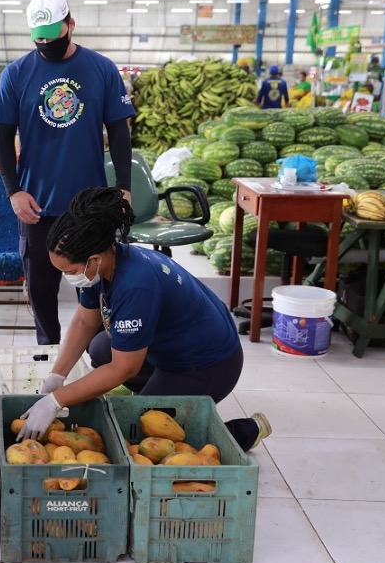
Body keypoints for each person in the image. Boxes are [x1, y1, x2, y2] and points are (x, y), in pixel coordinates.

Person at [17, 187, 271, 454]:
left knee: (144, 439)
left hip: (207, 365)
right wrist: (57, 376)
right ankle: (154, 394)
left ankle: (242, 431)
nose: (67, 278)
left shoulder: (135, 285)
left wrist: (56, 401)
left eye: (69, 271)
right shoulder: (104, 262)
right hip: (171, 349)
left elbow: (122, 369)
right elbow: (84, 322)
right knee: (101, 347)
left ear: (93, 260)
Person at [0, 0, 135, 346]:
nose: (46, 45)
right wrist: (13, 191)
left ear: (70, 25)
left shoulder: (101, 69)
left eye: (53, 37)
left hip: (89, 206)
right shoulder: (16, 74)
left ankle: (100, 354)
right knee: (40, 288)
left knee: (96, 288)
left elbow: (119, 132)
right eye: (39, 38)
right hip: (37, 206)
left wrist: (124, 186)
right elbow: (2, 136)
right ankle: (48, 351)